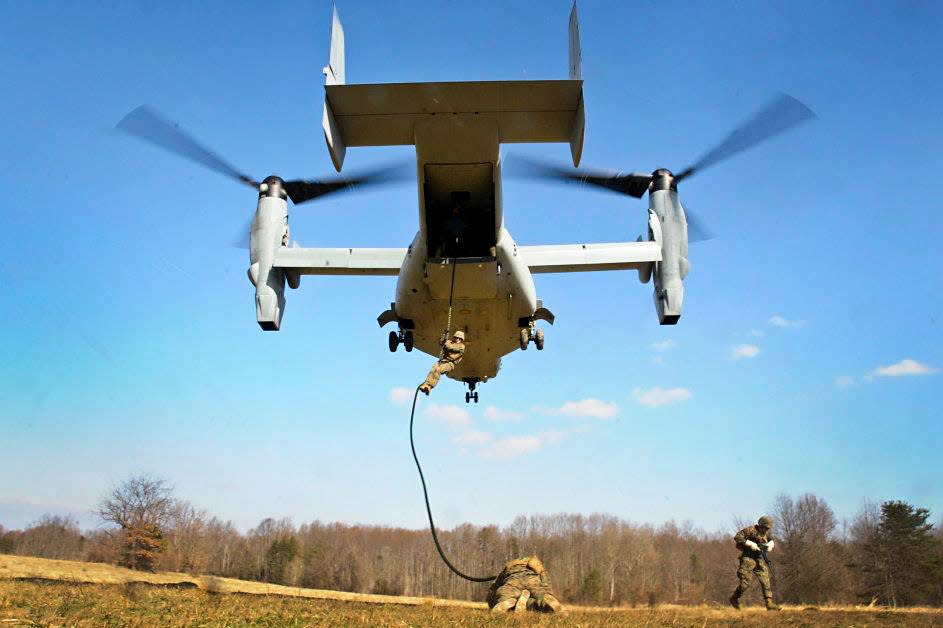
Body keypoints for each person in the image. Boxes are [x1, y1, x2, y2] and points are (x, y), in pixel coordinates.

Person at [729, 515, 780, 611]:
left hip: (759, 558)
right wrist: (750, 543)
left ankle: (769, 603)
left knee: (765, 580)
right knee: (745, 583)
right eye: (764, 528)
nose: (765, 530)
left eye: (767, 528)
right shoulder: (750, 530)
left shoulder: (766, 534)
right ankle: (734, 598)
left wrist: (771, 544)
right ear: (760, 525)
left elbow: (772, 539)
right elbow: (737, 537)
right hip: (748, 558)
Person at [419, 330, 465, 394]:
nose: (457, 339)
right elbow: (441, 343)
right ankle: (426, 385)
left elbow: (451, 348)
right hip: (442, 361)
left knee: (438, 370)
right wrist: (444, 336)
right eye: (456, 337)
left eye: (459, 338)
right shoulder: (449, 342)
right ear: (454, 337)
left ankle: (430, 386)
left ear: (461, 340)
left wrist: (445, 342)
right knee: (433, 369)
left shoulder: (461, 347)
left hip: (450, 363)